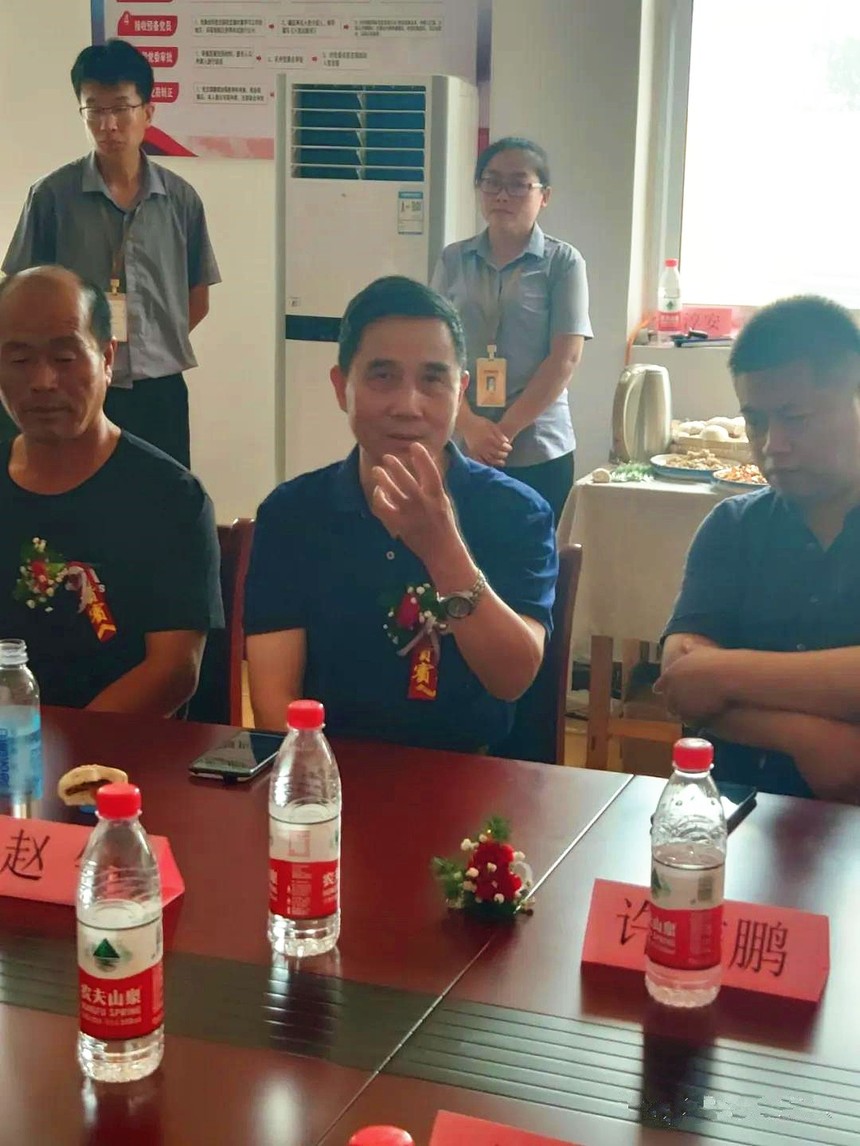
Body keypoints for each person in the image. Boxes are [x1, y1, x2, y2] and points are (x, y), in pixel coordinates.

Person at [244, 276, 558, 753]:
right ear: (341, 387)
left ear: (460, 391)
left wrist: (442, 547)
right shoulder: (292, 515)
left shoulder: (516, 512)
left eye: (432, 379)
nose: (408, 406)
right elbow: (273, 702)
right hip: (331, 771)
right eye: (382, 376)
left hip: (476, 776)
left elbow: (512, 679)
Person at [657, 295, 860, 803]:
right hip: (733, 807)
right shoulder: (733, 527)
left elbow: (703, 675)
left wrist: (722, 673)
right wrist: (808, 737)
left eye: (797, 418)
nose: (773, 445)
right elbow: (682, 677)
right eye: (756, 421)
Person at [0, 266, 224, 715]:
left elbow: (174, 669)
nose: (43, 381)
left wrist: (57, 745)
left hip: (114, 750)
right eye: (20, 360)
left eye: (65, 358)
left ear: (107, 358)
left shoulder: (170, 499)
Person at [1, 39, 221, 467]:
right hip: (75, 386)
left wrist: (151, 346)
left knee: (163, 496)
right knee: (74, 493)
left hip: (160, 388)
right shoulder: (52, 197)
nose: (109, 125)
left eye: (121, 108)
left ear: (147, 112)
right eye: (94, 110)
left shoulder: (180, 200)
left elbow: (197, 297)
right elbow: (19, 297)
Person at [431, 136, 592, 521]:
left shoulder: (563, 262)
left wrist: (503, 432)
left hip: (538, 446)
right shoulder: (454, 259)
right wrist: (470, 425)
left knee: (533, 551)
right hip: (462, 444)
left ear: (544, 196)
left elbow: (565, 359)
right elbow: (434, 351)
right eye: (491, 182)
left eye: (519, 184)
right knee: (456, 549)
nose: (502, 195)